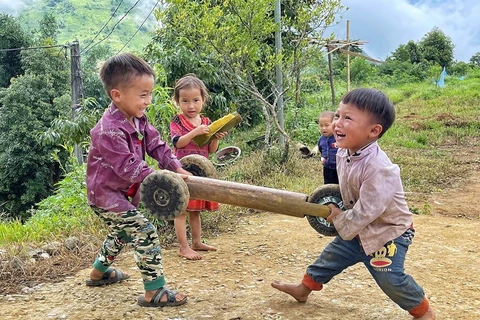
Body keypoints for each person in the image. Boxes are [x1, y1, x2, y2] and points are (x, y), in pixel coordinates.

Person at [271, 88, 435, 320]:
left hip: (387, 232)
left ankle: (423, 311)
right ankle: (303, 289)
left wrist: (338, 217)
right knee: (329, 259)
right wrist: (336, 207)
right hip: (358, 228)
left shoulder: (379, 168)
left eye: (348, 118)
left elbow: (368, 210)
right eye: (338, 115)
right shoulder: (342, 152)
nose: (337, 123)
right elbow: (347, 192)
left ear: (373, 131)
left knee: (390, 278)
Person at [85, 53, 190, 307]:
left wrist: (177, 167)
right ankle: (154, 291)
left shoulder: (138, 119)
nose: (148, 101)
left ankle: (99, 273)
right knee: (143, 230)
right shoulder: (108, 130)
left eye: (149, 94)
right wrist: (162, 179)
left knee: (122, 231)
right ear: (117, 95)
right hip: (105, 196)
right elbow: (128, 167)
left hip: (119, 193)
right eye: (143, 95)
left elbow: (157, 145)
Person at [169, 74, 227, 260]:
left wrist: (215, 138)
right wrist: (195, 131)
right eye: (185, 101)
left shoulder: (207, 122)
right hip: (182, 170)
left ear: (203, 100)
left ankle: (196, 242)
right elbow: (178, 143)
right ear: (177, 101)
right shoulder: (177, 121)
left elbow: (209, 150)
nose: (191, 106)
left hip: (200, 170)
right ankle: (183, 247)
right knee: (182, 210)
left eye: (196, 100)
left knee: (195, 210)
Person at [317, 110, 339, 184]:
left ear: (334, 125)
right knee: (328, 184)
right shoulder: (321, 139)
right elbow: (321, 149)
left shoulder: (338, 138)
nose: (323, 128)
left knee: (340, 185)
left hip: (339, 168)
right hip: (327, 167)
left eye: (327, 125)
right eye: (321, 125)